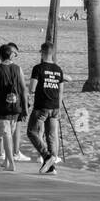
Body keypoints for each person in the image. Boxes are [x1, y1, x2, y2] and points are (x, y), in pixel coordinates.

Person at [0, 44, 29, 171]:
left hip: (3, 106)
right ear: (10, 55)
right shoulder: (18, 68)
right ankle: (7, 162)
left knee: (6, 133)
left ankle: (11, 163)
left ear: (0, 55)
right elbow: (24, 89)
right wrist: (25, 108)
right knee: (10, 132)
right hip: (16, 105)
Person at [27, 41, 69, 175]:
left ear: (42, 53)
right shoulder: (58, 69)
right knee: (52, 136)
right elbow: (61, 91)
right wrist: (59, 107)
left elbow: (32, 88)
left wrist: (30, 93)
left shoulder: (38, 68)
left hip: (41, 106)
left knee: (31, 132)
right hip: (55, 106)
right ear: (53, 53)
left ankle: (47, 156)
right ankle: (51, 167)